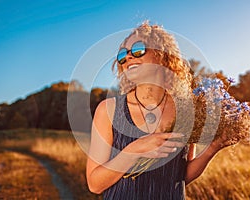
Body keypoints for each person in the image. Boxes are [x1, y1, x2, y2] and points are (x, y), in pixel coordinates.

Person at [86, 21, 231, 199]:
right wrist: (134, 150)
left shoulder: (186, 110)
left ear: (162, 54)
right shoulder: (109, 110)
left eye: (138, 49)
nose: (128, 57)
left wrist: (212, 149)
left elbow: (181, 176)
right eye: (122, 55)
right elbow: (94, 184)